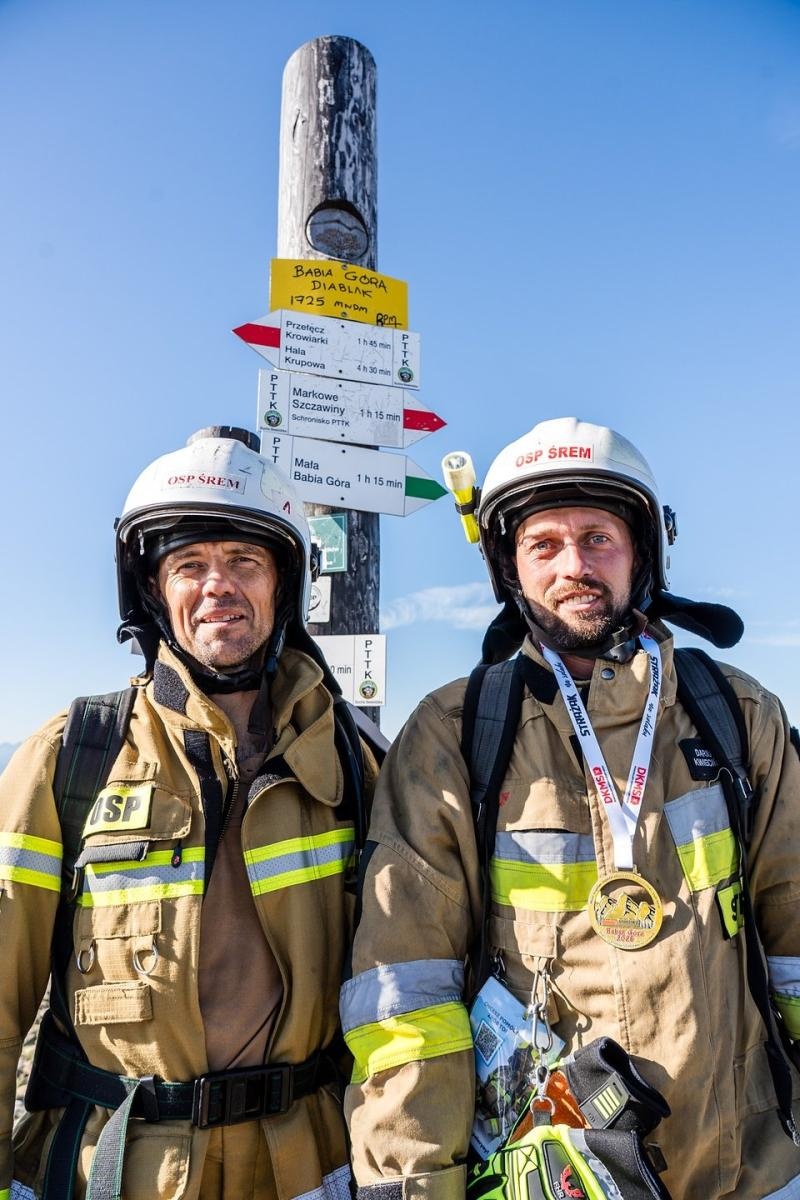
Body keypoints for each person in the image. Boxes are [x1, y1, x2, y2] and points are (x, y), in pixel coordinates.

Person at [342, 417, 800, 1200]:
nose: (573, 566)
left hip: (746, 1173)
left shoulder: (738, 714)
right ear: (510, 569)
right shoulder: (454, 734)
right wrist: (414, 1185)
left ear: (642, 554)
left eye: (597, 539)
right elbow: (407, 995)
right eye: (544, 545)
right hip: (551, 1177)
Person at [1, 426, 378, 1200]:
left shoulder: (353, 759)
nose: (217, 587)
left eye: (244, 562)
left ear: (284, 586)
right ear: (153, 591)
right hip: (122, 1170)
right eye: (189, 566)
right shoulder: (73, 756)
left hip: (307, 1166)